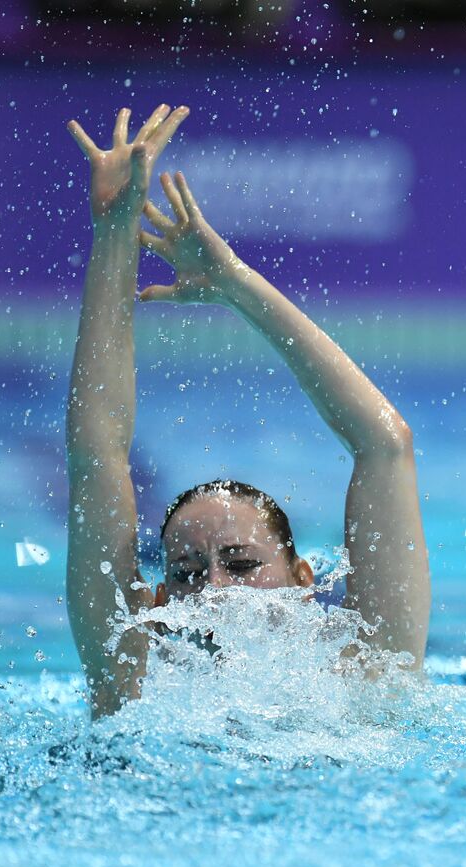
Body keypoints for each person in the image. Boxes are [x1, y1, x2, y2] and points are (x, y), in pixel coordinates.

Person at [65, 106, 431, 718]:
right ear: (157, 600)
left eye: (240, 563)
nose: (214, 588)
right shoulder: (133, 679)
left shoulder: (365, 673)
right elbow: (95, 451)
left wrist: (235, 282)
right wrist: (114, 232)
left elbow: (385, 443)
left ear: (303, 582)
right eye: (185, 572)